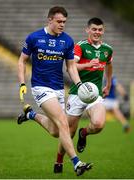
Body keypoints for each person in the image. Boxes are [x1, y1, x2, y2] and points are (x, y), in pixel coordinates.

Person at [17, 6, 93, 176]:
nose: (62, 24)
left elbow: (71, 67)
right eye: (59, 21)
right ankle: (76, 162)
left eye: (64, 22)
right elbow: (22, 61)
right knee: (63, 122)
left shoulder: (67, 41)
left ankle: (30, 115)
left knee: (55, 131)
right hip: (40, 87)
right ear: (49, 20)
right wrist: (22, 83)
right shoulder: (34, 37)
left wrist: (79, 84)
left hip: (59, 88)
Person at [53, 17, 113, 173]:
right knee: (69, 132)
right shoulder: (81, 46)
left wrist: (108, 84)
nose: (97, 32)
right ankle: (59, 161)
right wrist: (88, 64)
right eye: (94, 29)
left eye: (100, 29)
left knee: (99, 124)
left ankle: (84, 132)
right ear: (88, 30)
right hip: (77, 93)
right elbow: (71, 66)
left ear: (103, 31)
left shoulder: (108, 49)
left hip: (95, 94)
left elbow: (109, 65)